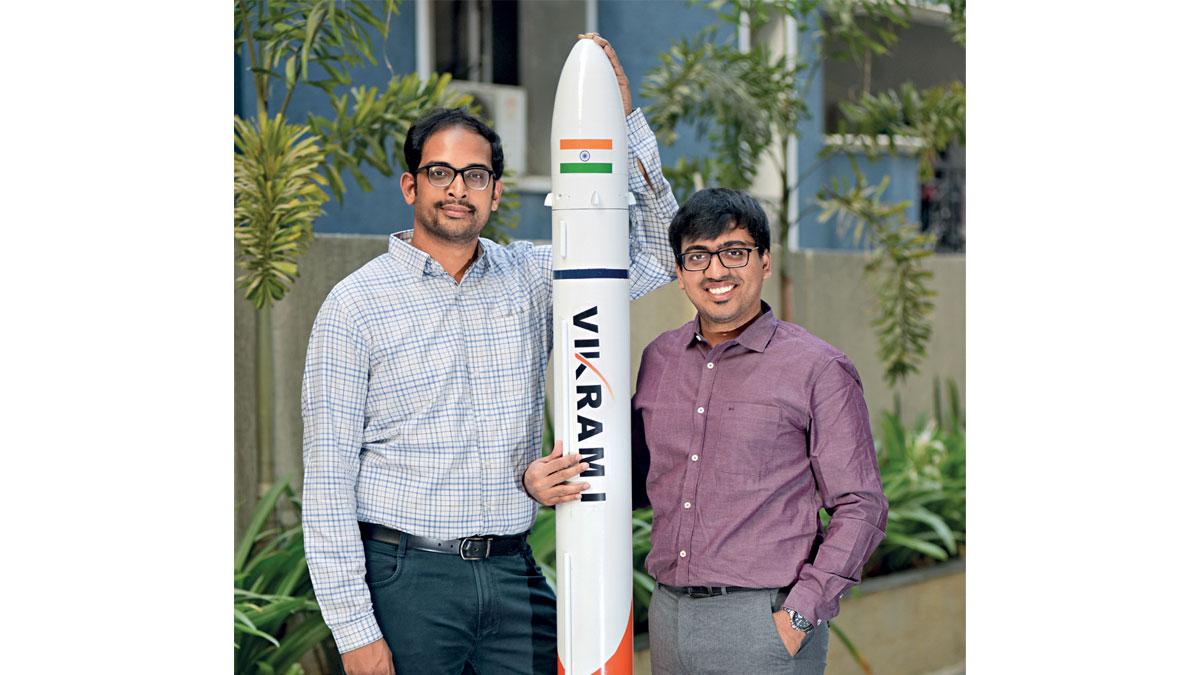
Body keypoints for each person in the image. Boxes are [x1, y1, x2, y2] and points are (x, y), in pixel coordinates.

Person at [300, 35, 678, 675]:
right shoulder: (353, 305)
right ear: (410, 186)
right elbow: (327, 484)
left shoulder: (531, 279)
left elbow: (658, 255)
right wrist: (354, 633)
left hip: (511, 574)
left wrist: (625, 126)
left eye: (475, 175)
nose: (457, 189)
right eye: (440, 173)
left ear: (496, 193)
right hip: (406, 581)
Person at [635, 188, 886, 674]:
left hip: (763, 624)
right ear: (681, 274)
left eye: (734, 252)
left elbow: (862, 503)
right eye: (698, 256)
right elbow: (636, 477)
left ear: (764, 261)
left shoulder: (817, 367)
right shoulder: (658, 359)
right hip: (668, 617)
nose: (716, 271)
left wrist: (798, 615)